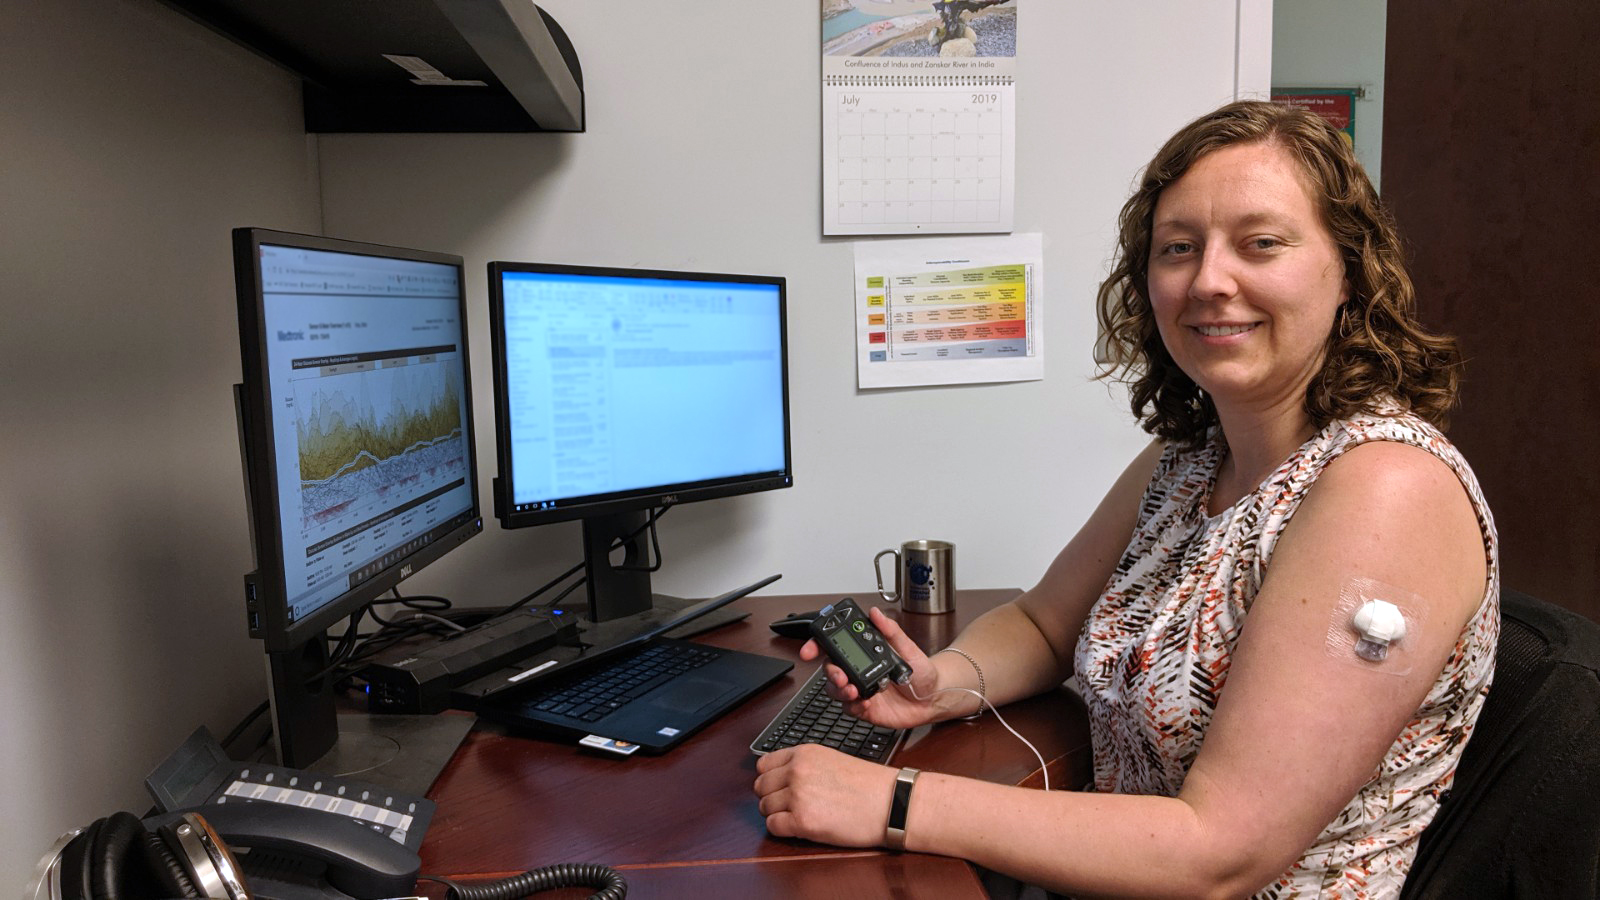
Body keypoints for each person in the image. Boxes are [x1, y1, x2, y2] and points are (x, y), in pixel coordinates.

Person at [753, 99, 1499, 898]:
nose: (1211, 281)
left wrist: (895, 804)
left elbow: (1220, 852)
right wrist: (939, 684)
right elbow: (1043, 624)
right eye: (1179, 248)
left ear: (1347, 270)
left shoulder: (1387, 489)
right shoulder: (1188, 459)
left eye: (1262, 244)